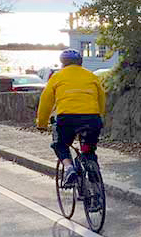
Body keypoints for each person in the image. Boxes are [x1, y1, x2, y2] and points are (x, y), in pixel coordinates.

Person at [36, 48, 106, 188]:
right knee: (88, 150)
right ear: (80, 62)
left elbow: (46, 101)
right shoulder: (91, 76)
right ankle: (95, 188)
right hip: (92, 119)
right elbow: (101, 98)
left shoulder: (57, 76)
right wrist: (99, 117)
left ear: (62, 63)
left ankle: (69, 168)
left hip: (67, 118)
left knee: (60, 144)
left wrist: (42, 123)